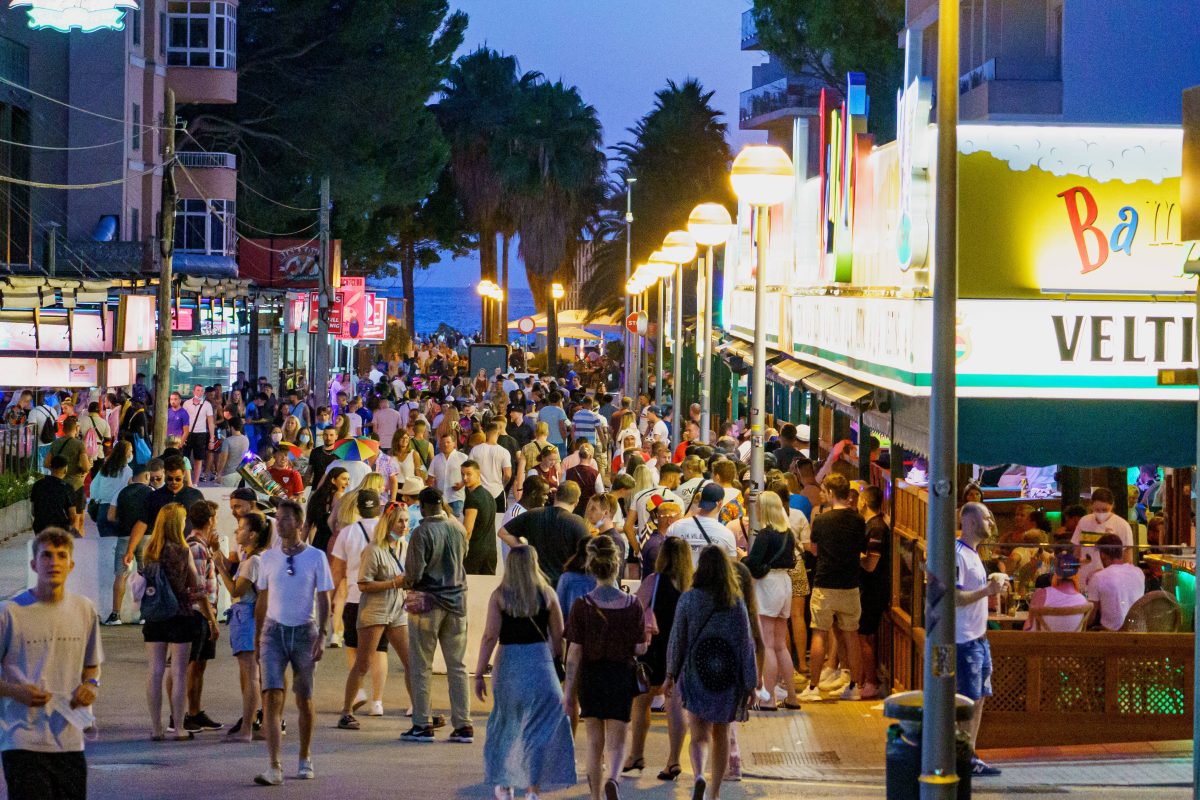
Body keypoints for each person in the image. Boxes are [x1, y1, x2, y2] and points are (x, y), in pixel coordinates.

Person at [0, 528, 103, 800]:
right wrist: (15, 692)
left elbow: (91, 666)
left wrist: (91, 685)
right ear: (34, 564)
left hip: (69, 740)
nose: (53, 562)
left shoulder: (85, 609)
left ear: (71, 564)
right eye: (46, 555)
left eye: (61, 556)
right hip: (22, 739)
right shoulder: (10, 612)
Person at [477, 546, 576, 800]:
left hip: (509, 663)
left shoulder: (500, 596)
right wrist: (557, 664)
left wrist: (479, 673)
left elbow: (490, 636)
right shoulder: (547, 594)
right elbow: (559, 637)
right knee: (538, 728)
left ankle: (505, 783)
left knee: (507, 723)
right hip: (540, 662)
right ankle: (532, 789)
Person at [664, 545, 757, 800]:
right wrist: (751, 683)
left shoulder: (688, 599)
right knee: (721, 732)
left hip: (697, 671)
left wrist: (670, 674)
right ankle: (714, 792)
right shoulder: (735, 602)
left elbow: (676, 640)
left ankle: (699, 776)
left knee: (698, 733)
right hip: (726, 676)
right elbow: (746, 643)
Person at [562, 536, 651, 800]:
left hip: (591, 677)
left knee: (593, 742)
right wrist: (646, 644)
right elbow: (637, 648)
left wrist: (569, 692)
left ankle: (595, 797)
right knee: (617, 740)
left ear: (592, 566)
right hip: (620, 677)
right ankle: (613, 778)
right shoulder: (632, 604)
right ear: (617, 565)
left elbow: (574, 652)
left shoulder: (582, 605)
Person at [253, 498, 334, 785]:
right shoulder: (268, 558)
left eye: (286, 518)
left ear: (299, 524)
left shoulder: (315, 557)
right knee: (272, 697)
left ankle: (304, 756)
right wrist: (258, 636)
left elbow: (324, 598)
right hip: (273, 633)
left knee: (304, 698)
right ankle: (274, 765)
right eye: (277, 518)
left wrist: (323, 634)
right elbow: (262, 599)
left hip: (304, 631)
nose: (279, 522)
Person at [401, 488, 473, 744]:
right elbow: (463, 557)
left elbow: (414, 572)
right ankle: (463, 724)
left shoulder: (421, 532)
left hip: (427, 603)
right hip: (457, 602)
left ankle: (422, 724)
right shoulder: (458, 529)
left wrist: (405, 581)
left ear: (422, 506)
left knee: (422, 665)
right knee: (458, 666)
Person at [140, 504, 215, 741]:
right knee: (180, 672)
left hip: (155, 616)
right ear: (177, 524)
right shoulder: (183, 551)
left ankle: (156, 727)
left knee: (155, 670)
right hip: (181, 616)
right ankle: (180, 727)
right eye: (183, 521)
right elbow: (196, 585)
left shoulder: (149, 551)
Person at [338, 501, 414, 730]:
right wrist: (394, 583)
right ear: (389, 522)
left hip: (397, 610)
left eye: (407, 521)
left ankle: (420, 708)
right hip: (374, 610)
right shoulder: (373, 550)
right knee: (362, 663)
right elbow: (363, 584)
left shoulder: (404, 546)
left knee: (411, 662)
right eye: (400, 521)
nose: (404, 525)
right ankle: (346, 711)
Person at [626, 536, 693, 781]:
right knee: (675, 704)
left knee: (642, 701)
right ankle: (674, 760)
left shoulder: (653, 582)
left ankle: (636, 754)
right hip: (680, 649)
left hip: (653, 648)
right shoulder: (690, 586)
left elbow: (635, 610)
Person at [799, 475, 867, 703]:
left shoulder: (821, 520)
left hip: (825, 582)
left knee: (819, 632)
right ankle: (855, 686)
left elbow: (815, 550)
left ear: (829, 492)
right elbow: (861, 549)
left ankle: (814, 686)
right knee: (852, 634)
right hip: (850, 584)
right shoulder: (858, 521)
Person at [955, 502, 1007, 777]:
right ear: (972, 522)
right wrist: (987, 590)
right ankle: (962, 756)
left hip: (979, 638)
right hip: (964, 641)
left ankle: (969, 754)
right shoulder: (958, 554)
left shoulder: (975, 554)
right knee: (968, 700)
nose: (992, 523)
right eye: (987, 518)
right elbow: (952, 597)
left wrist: (990, 585)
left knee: (979, 699)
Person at [331, 490, 391, 718]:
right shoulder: (388, 531)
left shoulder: (347, 533)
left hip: (356, 597)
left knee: (354, 647)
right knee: (380, 650)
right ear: (378, 507)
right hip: (384, 597)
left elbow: (337, 570)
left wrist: (331, 596)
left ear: (358, 508)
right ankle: (377, 701)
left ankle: (358, 692)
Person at [213, 510, 271, 743]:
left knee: (251, 675)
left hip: (246, 617)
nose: (237, 531)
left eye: (242, 528)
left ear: (254, 535)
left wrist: (220, 567)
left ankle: (247, 727)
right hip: (247, 617)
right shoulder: (253, 558)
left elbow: (236, 590)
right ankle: (256, 724)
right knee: (253, 674)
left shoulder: (253, 561)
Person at [743, 491, 799, 711]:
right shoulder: (788, 533)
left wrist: (743, 558)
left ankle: (769, 698)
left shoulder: (766, 535)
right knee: (780, 644)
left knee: (766, 644)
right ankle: (792, 696)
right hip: (785, 583)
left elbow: (754, 566)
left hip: (768, 585)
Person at [180, 501, 223, 734]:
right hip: (198, 613)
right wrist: (211, 619)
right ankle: (188, 713)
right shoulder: (196, 547)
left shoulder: (204, 546)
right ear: (209, 521)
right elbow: (199, 589)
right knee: (193, 665)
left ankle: (196, 712)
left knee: (200, 665)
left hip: (205, 612)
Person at [499, 481, 590, 586]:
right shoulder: (577, 522)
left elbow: (503, 533)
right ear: (577, 501)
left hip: (535, 582)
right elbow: (589, 553)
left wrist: (525, 549)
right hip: (562, 585)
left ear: (556, 496)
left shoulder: (533, 514)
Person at [857, 484, 889, 700]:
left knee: (864, 636)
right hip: (873, 589)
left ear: (864, 502)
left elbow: (871, 564)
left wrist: (854, 554)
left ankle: (871, 681)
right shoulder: (875, 525)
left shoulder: (875, 528)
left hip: (873, 589)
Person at [1073, 487, 1134, 586]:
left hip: (1110, 581)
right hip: (1084, 579)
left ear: (1112, 506)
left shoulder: (1122, 525)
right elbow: (1077, 550)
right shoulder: (1084, 521)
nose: (1101, 513)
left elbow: (1128, 558)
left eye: (1105, 510)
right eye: (1097, 509)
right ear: (1091, 506)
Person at [666, 483, 738, 565]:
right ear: (720, 503)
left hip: (682, 577)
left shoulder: (675, 527)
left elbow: (665, 558)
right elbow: (732, 566)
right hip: (709, 577)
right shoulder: (726, 534)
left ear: (701, 499)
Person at [1085, 533, 1146, 631]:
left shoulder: (1098, 578)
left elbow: (1090, 618)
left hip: (1112, 636)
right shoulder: (1139, 572)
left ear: (1103, 555)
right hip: (1138, 632)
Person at [45, 418, 90, 536]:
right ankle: (76, 543)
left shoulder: (55, 443)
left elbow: (46, 463)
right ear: (76, 428)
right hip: (76, 485)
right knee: (78, 518)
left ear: (63, 429)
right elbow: (86, 467)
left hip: (59, 484)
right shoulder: (79, 444)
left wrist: (58, 471)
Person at [461, 460, 498, 575]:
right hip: (491, 551)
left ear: (478, 474)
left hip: (475, 553)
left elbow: (467, 530)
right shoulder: (489, 495)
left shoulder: (472, 498)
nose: (465, 478)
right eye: (462, 474)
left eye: (468, 474)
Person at [469, 421, 513, 514]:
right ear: (498, 433)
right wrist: (502, 484)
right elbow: (508, 475)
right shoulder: (504, 452)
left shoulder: (475, 450)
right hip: (497, 491)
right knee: (499, 520)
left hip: (479, 492)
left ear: (485, 433)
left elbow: (469, 470)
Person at [306, 468, 349, 554]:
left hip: (317, 542)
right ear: (333, 480)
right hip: (331, 543)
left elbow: (307, 525)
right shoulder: (339, 496)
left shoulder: (318, 497)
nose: (348, 483)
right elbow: (335, 521)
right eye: (344, 479)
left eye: (348, 479)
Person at [30, 456, 75, 536]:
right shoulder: (67, 488)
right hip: (60, 528)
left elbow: (33, 511)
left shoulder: (37, 485)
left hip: (39, 528)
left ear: (50, 468)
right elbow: (72, 515)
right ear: (65, 469)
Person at [428, 433, 468, 518]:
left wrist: (462, 484)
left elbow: (471, 474)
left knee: (455, 523)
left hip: (456, 498)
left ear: (454, 443)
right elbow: (430, 478)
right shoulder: (436, 459)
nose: (445, 445)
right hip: (441, 498)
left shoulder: (463, 457)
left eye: (448, 442)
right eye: (442, 443)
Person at [182, 385, 215, 485]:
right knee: (184, 458)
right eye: (197, 390)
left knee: (198, 458)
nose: (199, 392)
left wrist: (212, 439)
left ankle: (195, 482)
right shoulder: (187, 403)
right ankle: (184, 480)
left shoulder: (207, 405)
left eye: (201, 391)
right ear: (193, 391)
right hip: (188, 433)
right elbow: (183, 420)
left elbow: (210, 422)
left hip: (201, 433)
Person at [216, 417, 249, 487]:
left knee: (225, 496)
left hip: (228, 473)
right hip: (240, 473)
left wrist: (219, 473)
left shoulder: (227, 441)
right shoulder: (246, 439)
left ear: (232, 427)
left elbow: (223, 459)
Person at [538, 391, 570, 458]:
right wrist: (564, 439)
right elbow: (562, 427)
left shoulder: (542, 410)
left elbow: (539, 425)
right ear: (559, 400)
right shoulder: (560, 411)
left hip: (545, 441)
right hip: (558, 441)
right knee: (559, 462)